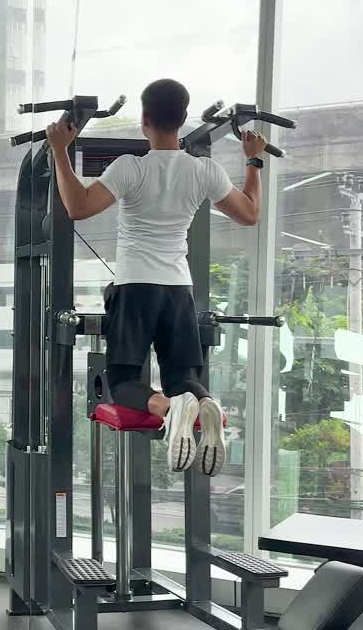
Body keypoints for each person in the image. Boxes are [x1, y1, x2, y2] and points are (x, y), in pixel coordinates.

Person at [47, 78, 265, 477]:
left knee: (125, 379)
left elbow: (78, 206)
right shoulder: (206, 171)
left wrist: (60, 151)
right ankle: (201, 404)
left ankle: (170, 407)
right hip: (179, 289)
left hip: (135, 286)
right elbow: (250, 213)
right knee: (183, 375)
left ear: (145, 120)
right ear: (182, 120)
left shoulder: (131, 167)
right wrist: (254, 160)